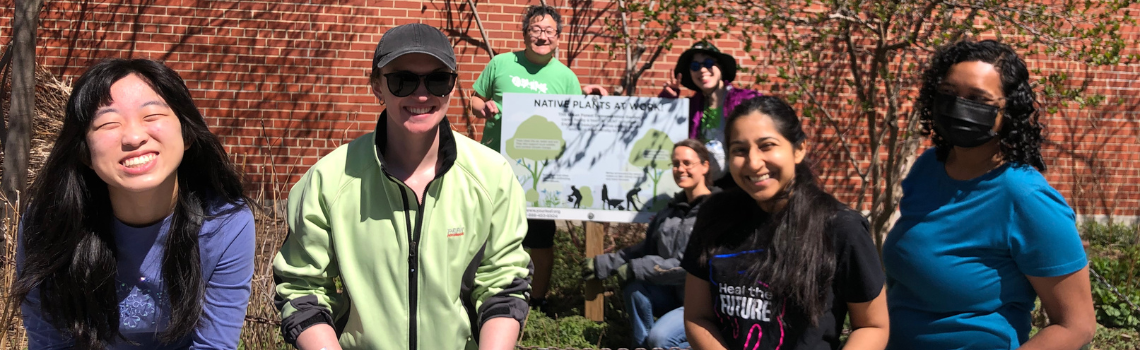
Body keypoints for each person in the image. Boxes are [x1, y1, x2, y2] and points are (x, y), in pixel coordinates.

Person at [273, 23, 531, 350]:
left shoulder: (493, 176)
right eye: (402, 80)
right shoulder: (328, 180)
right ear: (377, 87)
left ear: (452, 86)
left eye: (437, 79)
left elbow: (503, 285)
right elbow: (301, 287)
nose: (421, 95)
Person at [12, 58, 255, 349]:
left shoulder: (225, 224)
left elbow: (214, 346)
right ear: (84, 153)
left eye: (151, 116)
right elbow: (49, 343)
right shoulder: (49, 224)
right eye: (108, 123)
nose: (134, 137)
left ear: (187, 133)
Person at [882, 40, 1095, 349]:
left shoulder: (1026, 198)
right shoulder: (929, 167)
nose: (958, 107)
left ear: (1009, 109)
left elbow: (1077, 326)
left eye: (977, 99)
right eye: (948, 94)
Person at [681, 96, 889, 350]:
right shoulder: (713, 215)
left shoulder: (841, 227)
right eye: (739, 150)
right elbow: (697, 316)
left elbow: (872, 325)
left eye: (767, 146)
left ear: (798, 149)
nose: (754, 163)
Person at [468, 5, 607, 311]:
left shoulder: (566, 77)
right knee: (487, 235)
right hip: (496, 167)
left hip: (542, 175)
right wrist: (483, 107)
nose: (541, 36)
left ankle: (538, 301)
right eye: (535, 30)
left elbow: (573, 121)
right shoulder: (501, 63)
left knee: (541, 240)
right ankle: (481, 295)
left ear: (558, 37)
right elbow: (475, 99)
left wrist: (591, 99)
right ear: (525, 33)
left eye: (548, 31)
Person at [582, 139, 718, 349]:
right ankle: (642, 346)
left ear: (705, 166)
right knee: (635, 287)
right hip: (671, 295)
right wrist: (605, 264)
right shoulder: (670, 212)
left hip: (701, 303)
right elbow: (645, 249)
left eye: (687, 163)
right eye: (675, 163)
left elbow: (689, 266)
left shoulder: (716, 211)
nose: (680, 169)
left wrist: (636, 268)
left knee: (661, 339)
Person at [659, 41, 761, 189]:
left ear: (720, 67)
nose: (702, 70)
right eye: (695, 66)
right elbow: (660, 128)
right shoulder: (691, 107)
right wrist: (669, 101)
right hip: (705, 185)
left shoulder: (745, 100)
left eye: (708, 63)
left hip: (741, 182)